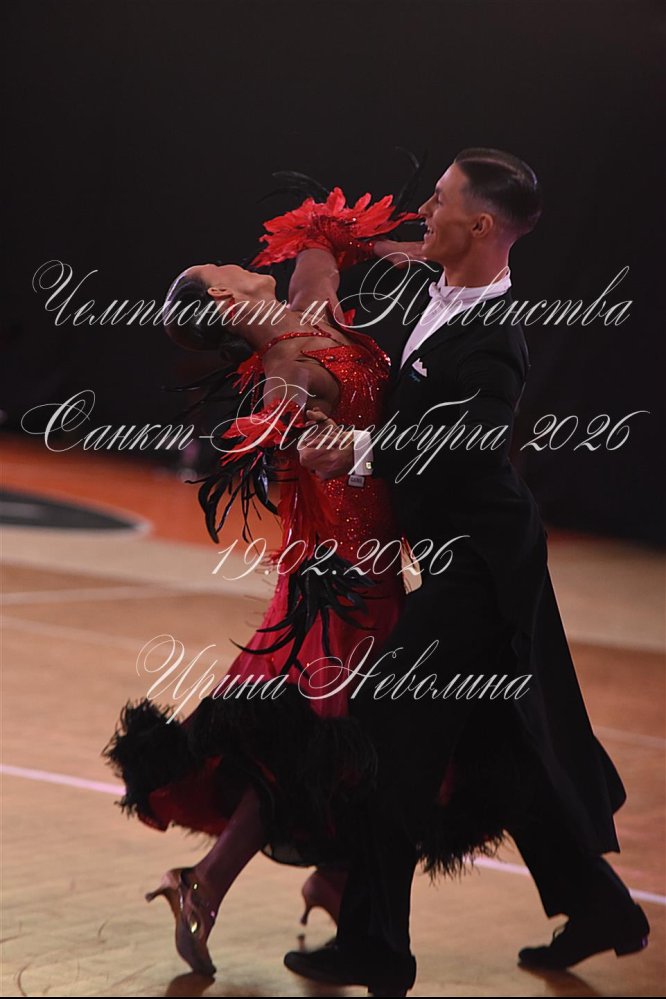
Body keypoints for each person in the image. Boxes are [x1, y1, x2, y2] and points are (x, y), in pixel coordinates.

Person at [284, 148, 650, 996]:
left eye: (441, 199)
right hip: (466, 559)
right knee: (497, 745)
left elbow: (465, 439)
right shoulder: (441, 284)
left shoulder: (496, 340)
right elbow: (373, 245)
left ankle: (378, 945)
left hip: (482, 571)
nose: (425, 209)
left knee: (387, 723)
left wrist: (360, 449)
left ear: (481, 225)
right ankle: (601, 909)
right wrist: (338, 248)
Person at [102, 187, 485, 981]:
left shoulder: (310, 306)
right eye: (220, 269)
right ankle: (212, 882)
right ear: (224, 301)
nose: (235, 261)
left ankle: (329, 880)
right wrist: (281, 426)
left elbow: (322, 230)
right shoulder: (284, 367)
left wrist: (399, 250)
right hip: (335, 583)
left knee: (338, 742)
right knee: (320, 743)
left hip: (368, 570)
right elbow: (281, 430)